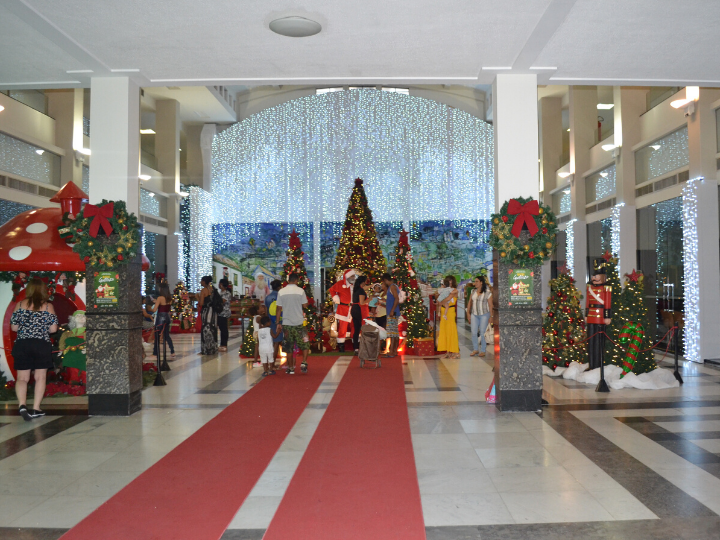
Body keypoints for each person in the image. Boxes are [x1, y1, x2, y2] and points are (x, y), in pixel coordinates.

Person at [10, 278, 58, 421]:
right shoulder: (48, 306)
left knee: (22, 378)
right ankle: (36, 408)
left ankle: (22, 405)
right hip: (41, 344)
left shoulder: (19, 305)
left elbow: (13, 327)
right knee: (40, 377)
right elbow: (54, 329)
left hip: (23, 344)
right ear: (43, 290)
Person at [276, 273, 310, 374]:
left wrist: (278, 322)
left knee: (288, 347)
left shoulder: (281, 292)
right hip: (299, 323)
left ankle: (291, 368)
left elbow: (278, 308)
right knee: (305, 343)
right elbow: (305, 305)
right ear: (296, 281)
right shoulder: (300, 291)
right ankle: (304, 362)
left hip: (287, 324)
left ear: (288, 280)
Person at [328, 269, 357, 352]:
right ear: (347, 277)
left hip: (354, 309)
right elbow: (331, 290)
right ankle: (341, 346)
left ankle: (355, 346)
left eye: (354, 276)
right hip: (343, 309)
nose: (353, 278)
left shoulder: (356, 285)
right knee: (342, 329)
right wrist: (335, 298)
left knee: (354, 327)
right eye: (352, 276)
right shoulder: (340, 284)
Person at [466, 275, 492, 357]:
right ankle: (475, 349)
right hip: (474, 314)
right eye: (475, 281)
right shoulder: (473, 291)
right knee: (473, 332)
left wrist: (491, 316)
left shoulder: (487, 292)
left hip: (484, 314)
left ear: (481, 282)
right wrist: (468, 313)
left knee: (482, 332)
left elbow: (490, 305)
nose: (475, 283)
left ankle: (483, 350)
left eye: (477, 281)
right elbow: (470, 302)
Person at [437, 275, 459, 359]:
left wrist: (440, 301)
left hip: (450, 311)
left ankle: (455, 351)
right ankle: (447, 351)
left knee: (451, 330)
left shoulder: (455, 290)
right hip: (443, 311)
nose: (449, 282)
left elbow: (447, 298)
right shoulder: (444, 290)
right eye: (448, 281)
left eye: (451, 281)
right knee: (444, 330)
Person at [153, 281, 176, 359]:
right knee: (166, 336)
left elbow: (154, 309)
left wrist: (155, 304)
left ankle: (155, 352)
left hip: (160, 317)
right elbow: (166, 307)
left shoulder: (160, 298)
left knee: (157, 334)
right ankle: (172, 351)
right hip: (167, 317)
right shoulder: (170, 298)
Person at [265, 279, 284, 364]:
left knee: (271, 343)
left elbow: (266, 310)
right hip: (279, 321)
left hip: (269, 321)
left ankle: (269, 362)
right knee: (276, 343)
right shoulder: (280, 296)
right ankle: (272, 364)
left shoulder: (267, 297)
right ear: (279, 287)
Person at [382, 273, 401, 358]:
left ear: (386, 280)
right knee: (394, 333)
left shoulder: (392, 287)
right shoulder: (393, 287)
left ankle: (392, 352)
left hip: (392, 313)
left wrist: (392, 310)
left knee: (392, 333)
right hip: (391, 312)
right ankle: (394, 351)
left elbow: (396, 298)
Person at [198, 276, 218, 355]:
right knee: (213, 328)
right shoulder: (213, 289)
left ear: (204, 282)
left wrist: (197, 297)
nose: (200, 282)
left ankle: (206, 349)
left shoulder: (204, 290)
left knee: (206, 329)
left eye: (201, 281)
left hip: (206, 312)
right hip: (213, 312)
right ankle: (213, 348)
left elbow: (201, 303)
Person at [351, 275, 370, 353]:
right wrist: (370, 298)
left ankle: (356, 347)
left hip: (354, 309)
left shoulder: (356, 289)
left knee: (356, 329)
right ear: (363, 282)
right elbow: (362, 303)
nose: (366, 283)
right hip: (359, 310)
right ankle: (362, 346)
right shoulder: (361, 291)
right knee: (361, 328)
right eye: (365, 282)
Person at [217, 278, 232, 352]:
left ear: (222, 284)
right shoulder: (220, 292)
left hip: (224, 313)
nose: (218, 285)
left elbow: (221, 301)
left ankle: (224, 344)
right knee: (221, 329)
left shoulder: (227, 293)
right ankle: (221, 344)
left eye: (219, 283)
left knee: (224, 329)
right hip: (219, 313)